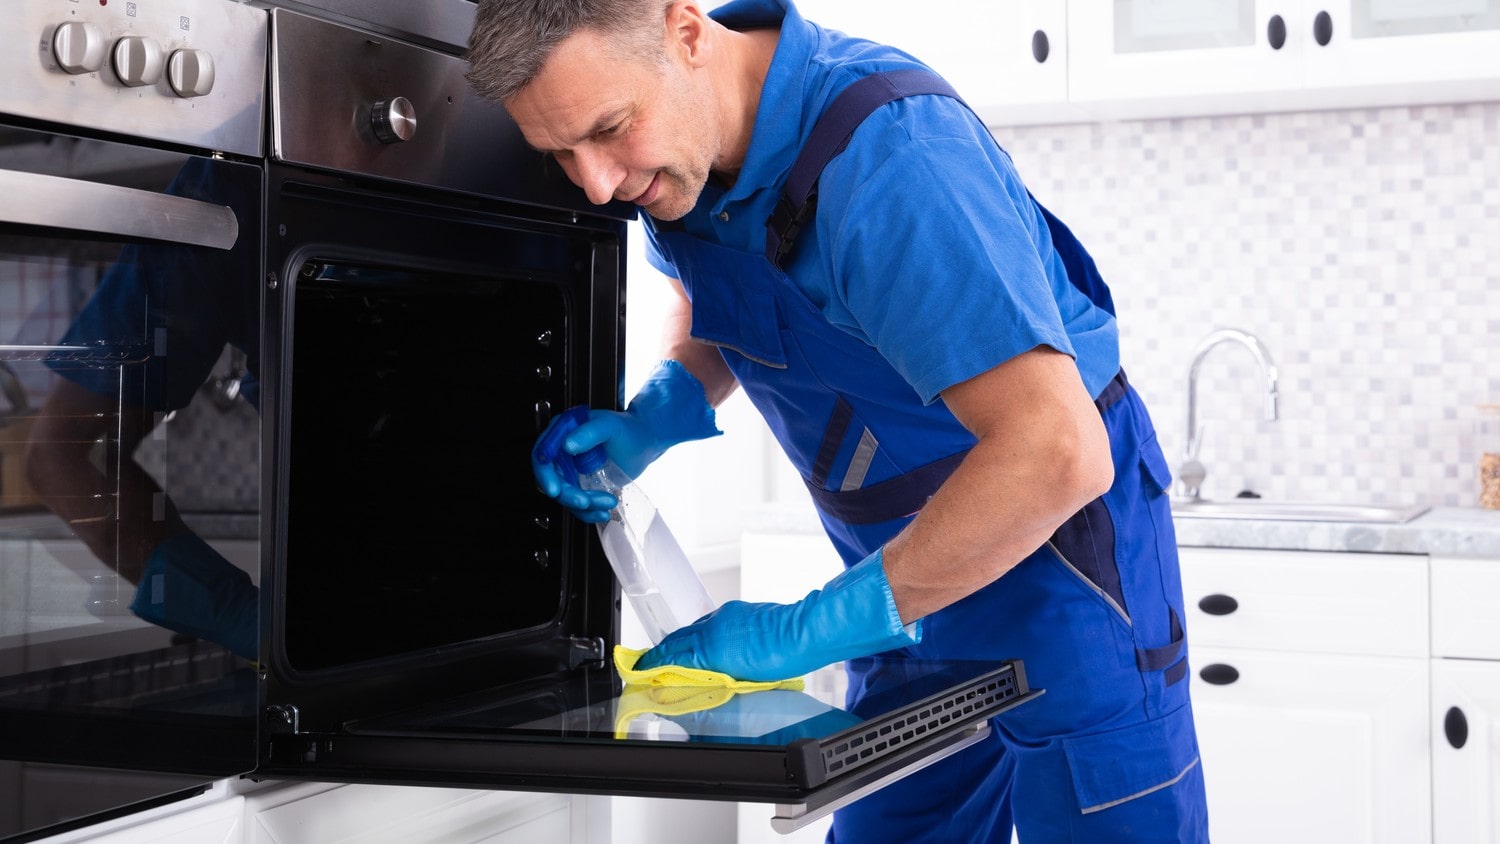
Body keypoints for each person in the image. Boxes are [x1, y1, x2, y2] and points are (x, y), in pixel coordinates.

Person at [468, 1, 1209, 840]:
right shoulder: (679, 151)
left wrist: (799, 632)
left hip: (1062, 570)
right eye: (562, 152)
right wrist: (661, 411)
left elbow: (1057, 452)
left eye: (610, 130)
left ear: (685, 33)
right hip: (899, 588)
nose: (597, 182)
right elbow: (716, 293)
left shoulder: (896, 161)